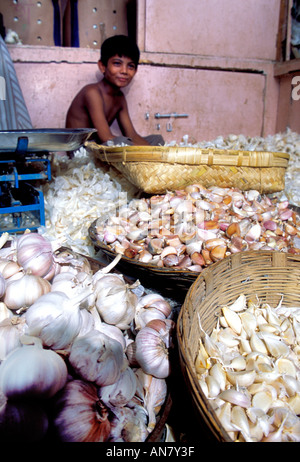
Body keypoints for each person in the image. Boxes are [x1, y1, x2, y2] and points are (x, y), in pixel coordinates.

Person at [65, 35, 164, 146]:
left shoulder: (119, 98)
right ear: (102, 66)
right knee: (120, 142)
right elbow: (105, 138)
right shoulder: (92, 93)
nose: (124, 71)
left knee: (157, 141)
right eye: (117, 63)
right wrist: (148, 153)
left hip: (100, 147)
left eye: (130, 66)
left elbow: (132, 135)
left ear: (135, 71)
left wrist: (155, 151)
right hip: (82, 152)